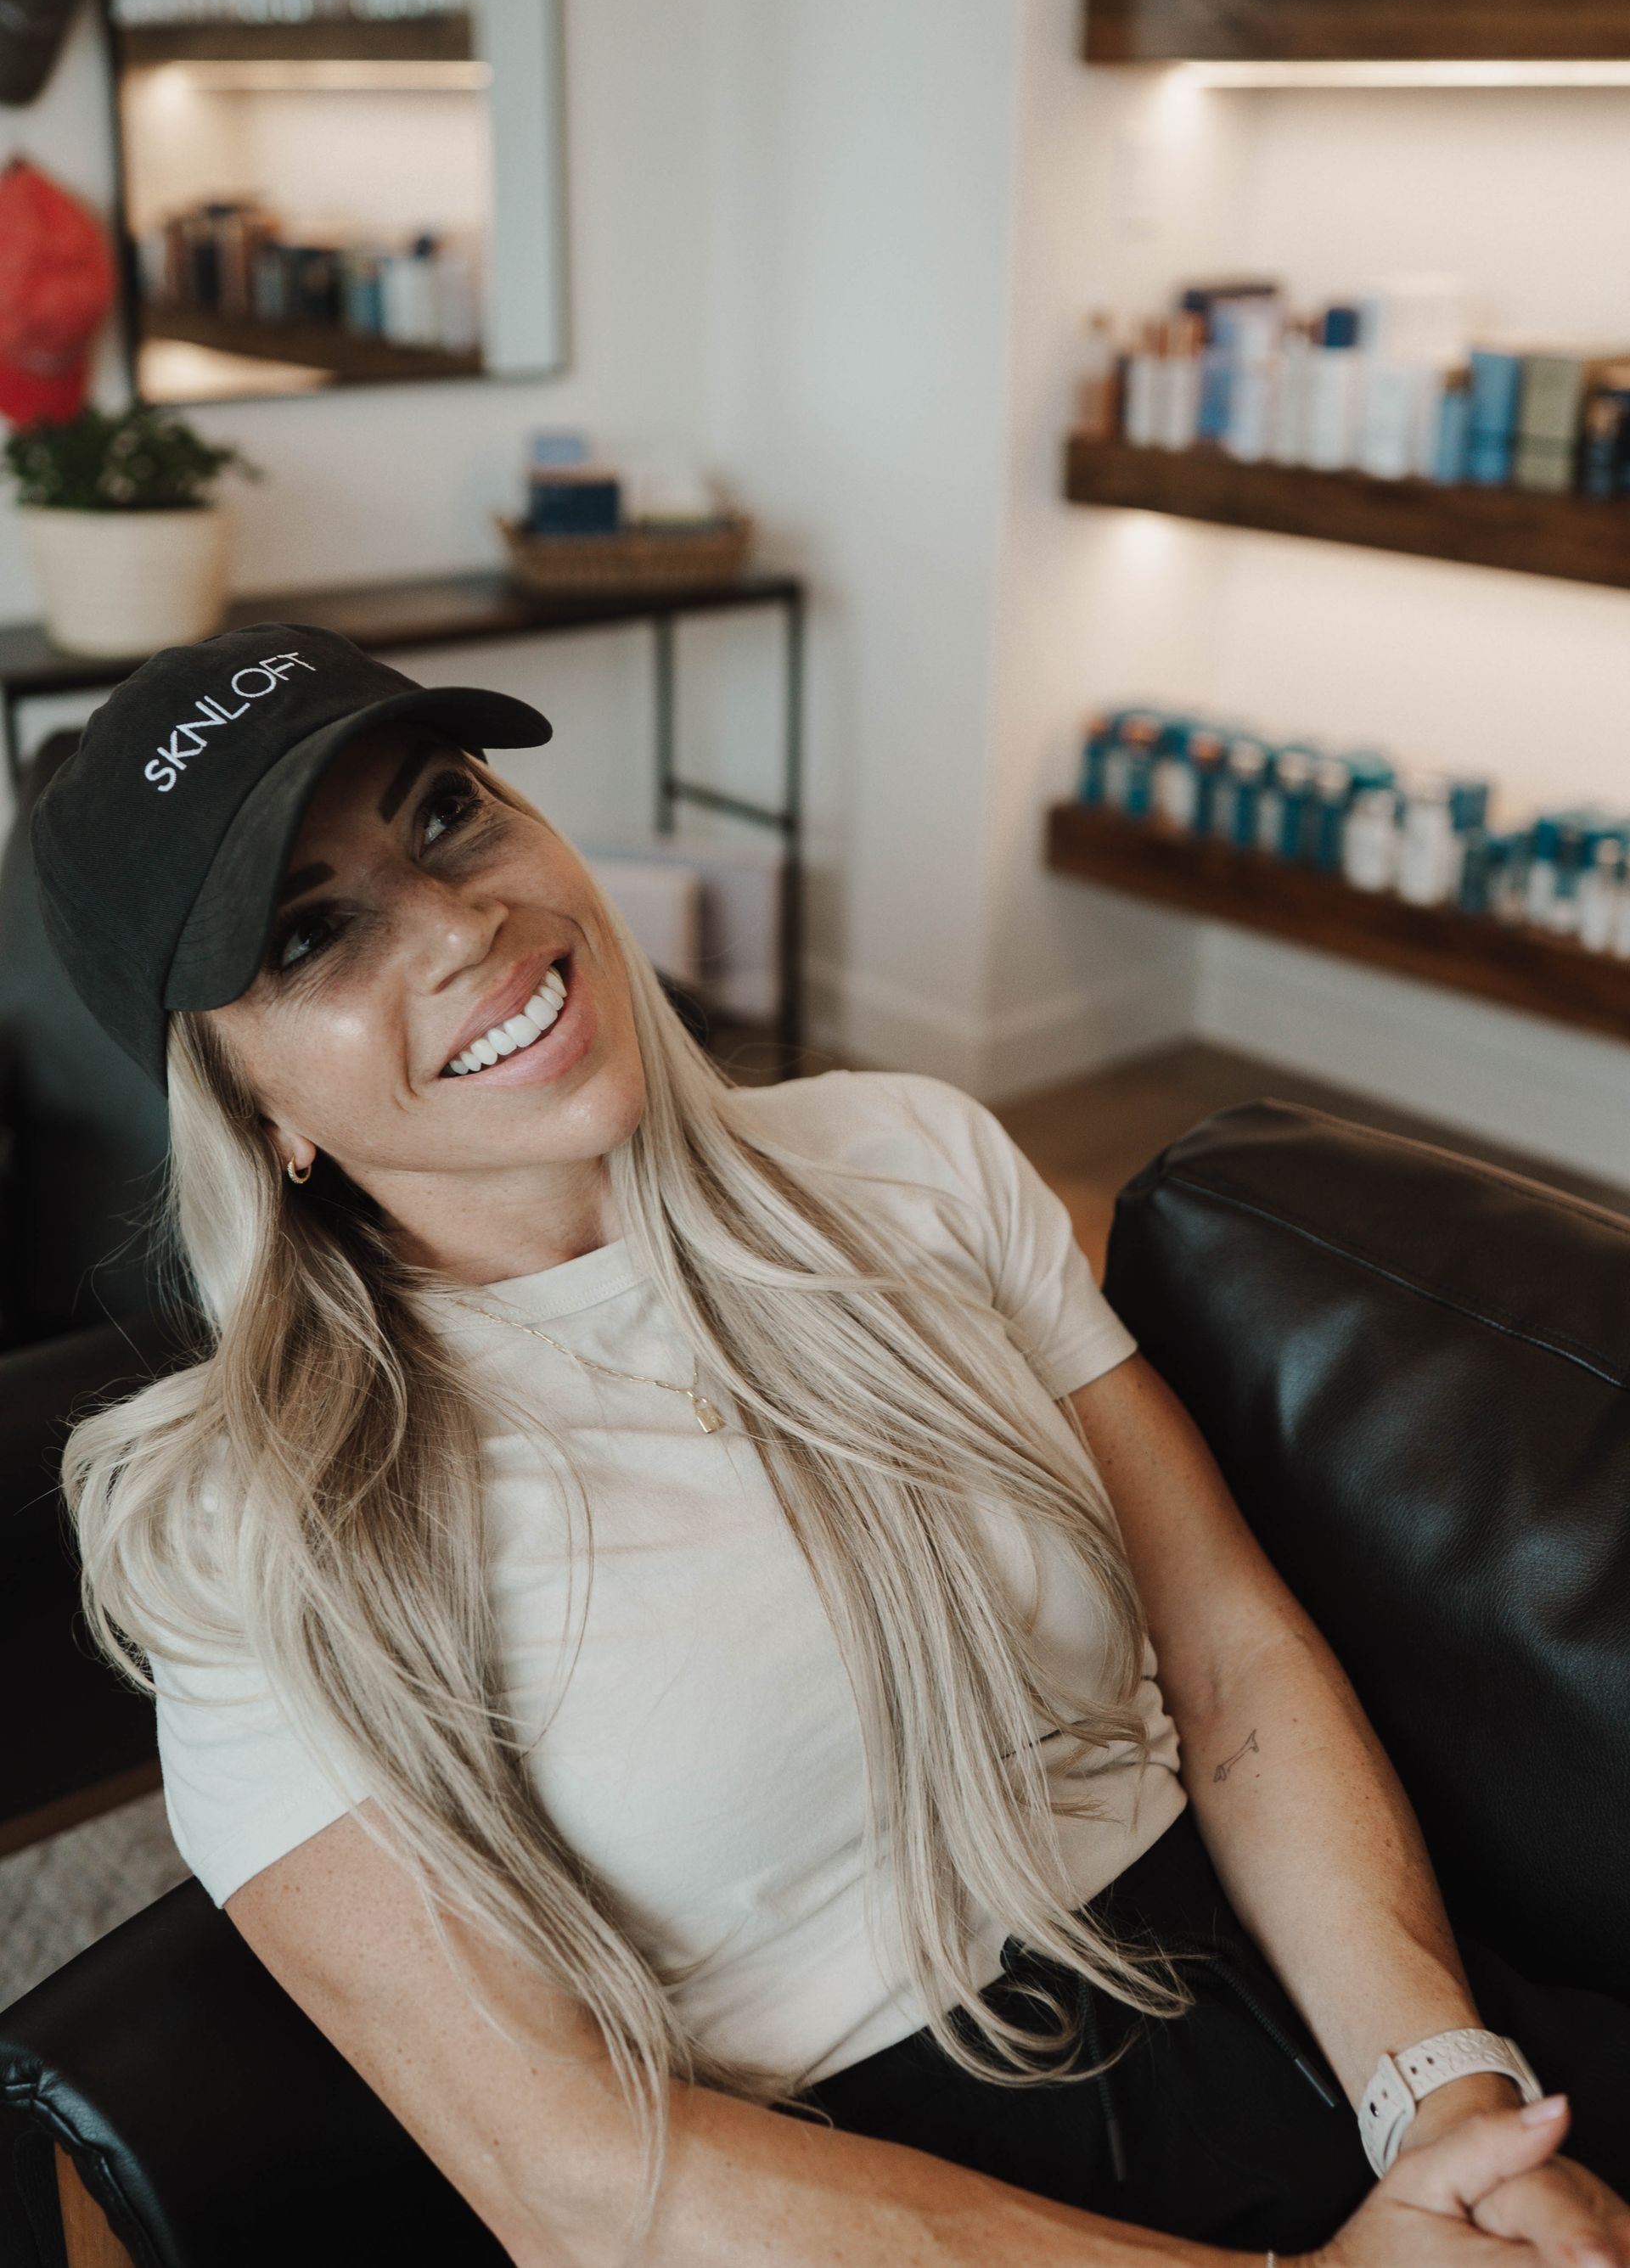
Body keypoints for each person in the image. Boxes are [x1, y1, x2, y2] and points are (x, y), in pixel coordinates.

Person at [34, 623, 1630, 2268]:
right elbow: (576, 2180)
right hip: (867, 2206)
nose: (460, 924)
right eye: (313, 933)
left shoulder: (911, 1159)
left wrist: (1443, 2100)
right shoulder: (238, 1526)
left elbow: (1230, 1658)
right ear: (254, 1111)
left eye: (447, 811)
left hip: (1303, 1999)